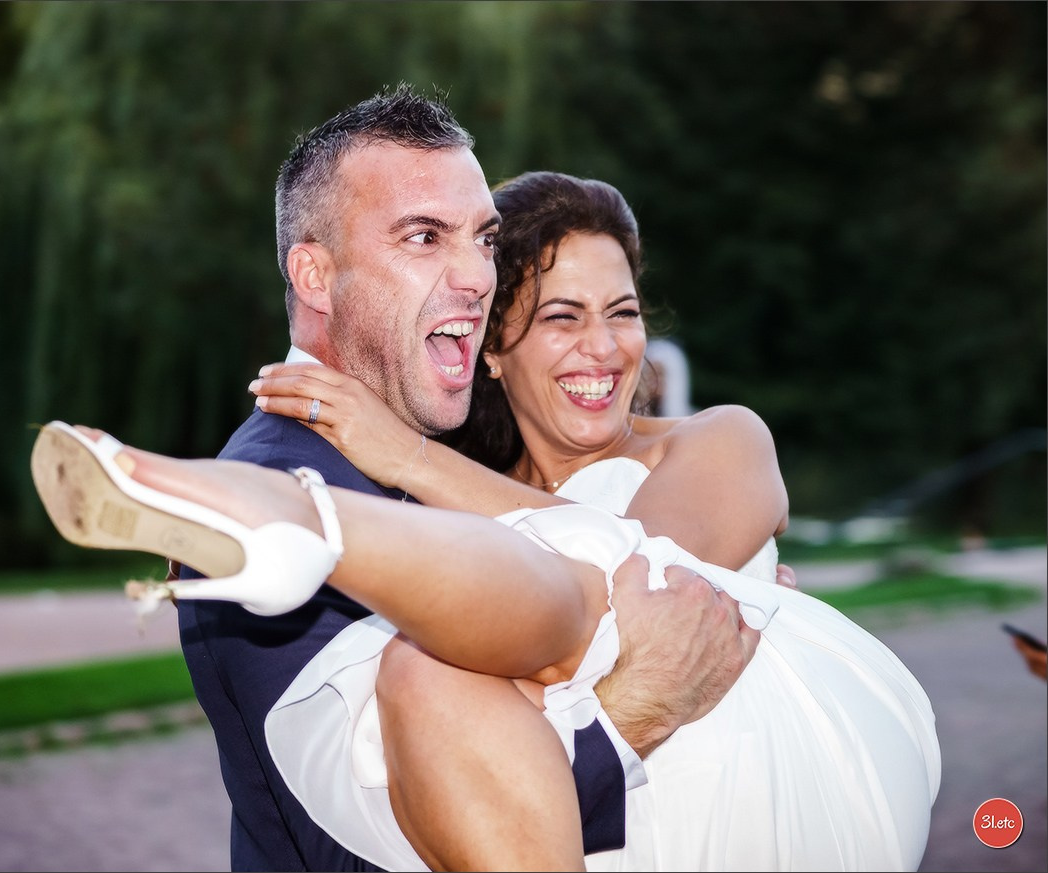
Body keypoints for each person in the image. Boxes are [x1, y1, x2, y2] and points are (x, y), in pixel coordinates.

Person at [248, 171, 942, 870]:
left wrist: (408, 457)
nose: (605, 347)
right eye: (563, 317)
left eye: (623, 312)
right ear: (493, 348)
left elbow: (635, 584)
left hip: (754, 818)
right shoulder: (460, 508)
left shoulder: (722, 440)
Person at [145, 84, 756, 871]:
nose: (475, 276)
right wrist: (637, 706)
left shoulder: (457, 468)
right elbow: (368, 848)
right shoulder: (272, 499)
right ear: (316, 276)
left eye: (483, 238)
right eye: (425, 236)